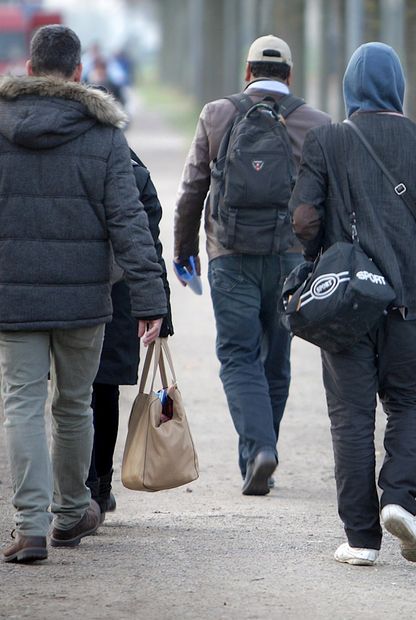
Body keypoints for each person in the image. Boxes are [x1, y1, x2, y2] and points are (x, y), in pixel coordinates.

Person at [290, 42, 416, 567]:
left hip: (346, 306)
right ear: (398, 87)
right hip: (409, 302)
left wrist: (317, 259)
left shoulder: (326, 140)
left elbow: (305, 218)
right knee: (408, 404)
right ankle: (399, 498)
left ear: (352, 88)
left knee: (350, 417)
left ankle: (360, 538)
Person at [0, 25, 166, 564]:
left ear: (28, 68)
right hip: (83, 302)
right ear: (78, 73)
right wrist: (150, 299)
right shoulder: (103, 136)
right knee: (73, 406)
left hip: (14, 297)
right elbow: (129, 222)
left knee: (22, 404)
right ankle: (71, 513)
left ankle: (29, 529)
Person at [174, 35, 330, 496]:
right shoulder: (316, 123)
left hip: (231, 256)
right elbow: (329, 201)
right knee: (276, 361)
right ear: (290, 76)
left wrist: (185, 250)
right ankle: (264, 455)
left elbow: (192, 188)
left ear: (247, 73)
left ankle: (258, 450)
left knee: (239, 355)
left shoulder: (217, 114)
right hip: (290, 260)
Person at [86, 150, 175, 516]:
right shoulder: (132, 172)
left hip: (61, 293)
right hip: (118, 296)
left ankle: (78, 486)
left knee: (68, 394)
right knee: (103, 390)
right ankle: (99, 488)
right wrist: (158, 306)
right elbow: (147, 246)